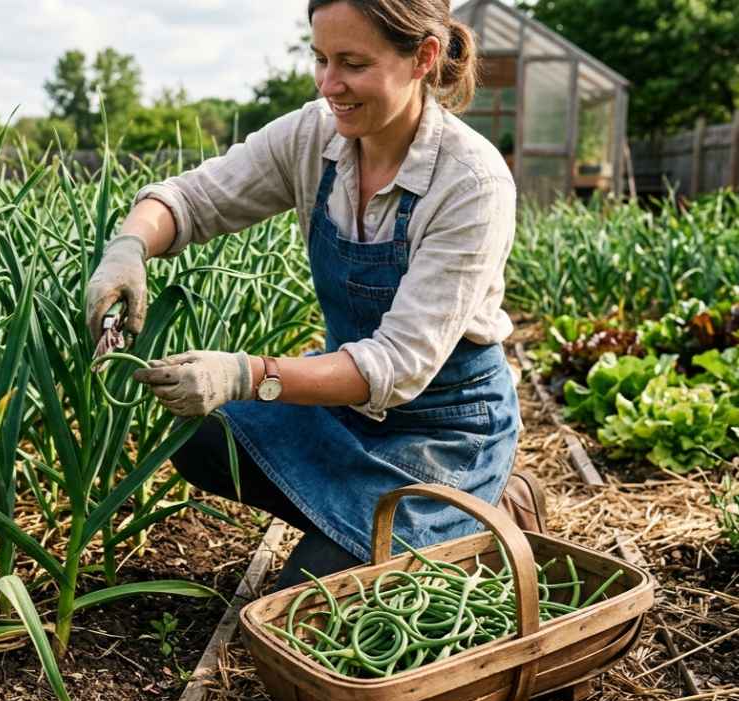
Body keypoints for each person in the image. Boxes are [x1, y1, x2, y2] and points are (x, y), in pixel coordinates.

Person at [86, 0, 541, 590]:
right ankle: (364, 532)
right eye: (321, 59)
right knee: (202, 440)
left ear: (424, 57)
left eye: (352, 63)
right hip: (346, 411)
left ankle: (478, 513)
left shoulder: (471, 182)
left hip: (443, 428)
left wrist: (245, 374)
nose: (330, 85)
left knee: (306, 603)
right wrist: (128, 247)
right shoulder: (313, 136)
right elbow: (193, 200)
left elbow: (397, 365)